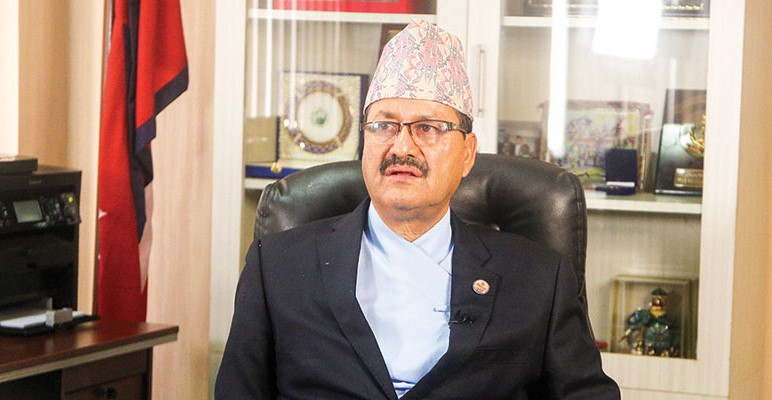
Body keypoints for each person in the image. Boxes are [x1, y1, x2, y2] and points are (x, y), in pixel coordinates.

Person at [215, 19, 620, 399]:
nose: (402, 146)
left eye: (428, 127)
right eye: (384, 125)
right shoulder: (278, 266)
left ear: (467, 154)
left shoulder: (538, 277)